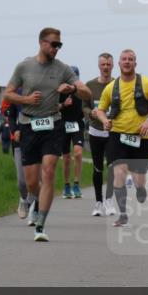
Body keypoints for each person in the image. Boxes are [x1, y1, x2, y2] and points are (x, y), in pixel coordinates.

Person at [4, 27, 90, 242]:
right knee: (32, 182)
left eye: (59, 45)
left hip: (53, 124)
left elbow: (86, 92)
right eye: (53, 44)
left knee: (49, 171)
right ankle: (34, 199)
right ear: (42, 43)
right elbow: (8, 93)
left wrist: (71, 88)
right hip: (29, 126)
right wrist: (26, 100)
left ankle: (41, 224)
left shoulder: (63, 69)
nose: (56, 49)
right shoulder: (24, 66)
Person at [91, 49, 148, 229]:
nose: (127, 62)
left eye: (130, 59)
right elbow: (100, 109)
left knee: (139, 179)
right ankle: (123, 214)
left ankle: (140, 188)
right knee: (119, 173)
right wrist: (104, 120)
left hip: (140, 136)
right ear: (120, 64)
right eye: (124, 59)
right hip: (117, 136)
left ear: (135, 63)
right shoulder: (111, 87)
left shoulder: (147, 84)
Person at [84, 53, 115, 217]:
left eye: (108, 64)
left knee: (112, 168)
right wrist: (91, 114)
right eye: (103, 64)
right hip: (95, 131)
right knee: (98, 168)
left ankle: (109, 201)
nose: (105, 67)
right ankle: (98, 202)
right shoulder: (90, 85)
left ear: (112, 66)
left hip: (112, 132)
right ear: (99, 66)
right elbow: (84, 106)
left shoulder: (118, 85)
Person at [59, 65, 85, 200]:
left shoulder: (81, 92)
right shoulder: (60, 91)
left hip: (77, 125)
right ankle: (66, 185)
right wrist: (63, 104)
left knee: (78, 153)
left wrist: (88, 113)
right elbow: (53, 108)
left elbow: (87, 107)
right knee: (67, 158)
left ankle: (76, 184)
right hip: (63, 125)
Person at [3, 98, 30, 220]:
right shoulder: (17, 94)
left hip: (40, 140)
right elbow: (10, 115)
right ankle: (24, 199)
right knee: (22, 182)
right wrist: (15, 130)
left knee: (39, 179)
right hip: (19, 141)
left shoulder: (43, 90)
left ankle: (36, 207)